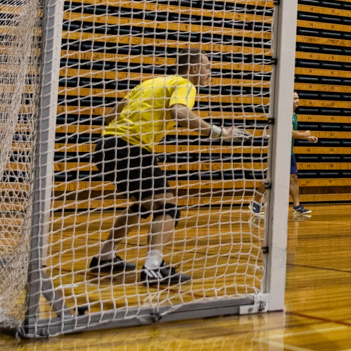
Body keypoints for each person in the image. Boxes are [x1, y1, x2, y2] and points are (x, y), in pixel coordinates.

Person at [89, 51, 248, 286]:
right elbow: (180, 112)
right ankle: (153, 267)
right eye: (207, 67)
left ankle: (105, 256)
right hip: (131, 147)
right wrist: (219, 132)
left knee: (143, 205)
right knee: (168, 206)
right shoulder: (185, 84)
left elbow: (110, 116)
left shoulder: (150, 83)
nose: (209, 73)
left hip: (104, 146)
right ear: (194, 69)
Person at [251, 91, 319, 219]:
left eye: (298, 98)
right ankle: (255, 203)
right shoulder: (285, 114)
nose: (297, 101)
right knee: (270, 178)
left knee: (293, 177)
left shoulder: (294, 115)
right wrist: (305, 135)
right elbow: (289, 132)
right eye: (294, 98)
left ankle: (297, 207)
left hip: (289, 151)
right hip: (279, 151)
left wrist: (307, 138)